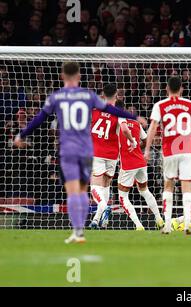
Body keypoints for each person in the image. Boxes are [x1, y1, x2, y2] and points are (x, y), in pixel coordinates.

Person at [13, 62, 136, 243]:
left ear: (62, 76)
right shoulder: (88, 95)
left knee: (73, 192)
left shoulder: (57, 96)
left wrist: (21, 134)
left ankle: (78, 232)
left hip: (67, 150)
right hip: (86, 150)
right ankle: (93, 219)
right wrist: (134, 117)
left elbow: (40, 118)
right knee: (84, 189)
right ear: (79, 77)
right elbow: (110, 108)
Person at [144, 76, 191, 235]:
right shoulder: (189, 104)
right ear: (181, 88)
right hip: (187, 150)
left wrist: (147, 149)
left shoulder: (160, 105)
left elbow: (153, 127)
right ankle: (188, 222)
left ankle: (167, 224)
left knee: (168, 185)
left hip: (169, 151)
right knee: (186, 185)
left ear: (167, 89)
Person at [89, 84, 135, 229]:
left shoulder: (95, 108)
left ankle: (103, 206)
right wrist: (132, 140)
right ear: (116, 95)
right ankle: (98, 220)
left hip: (96, 152)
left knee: (94, 187)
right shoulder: (119, 112)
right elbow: (125, 129)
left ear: (103, 94)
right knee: (105, 185)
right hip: (113, 154)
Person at [116, 103, 164, 230]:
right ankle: (159, 219)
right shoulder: (136, 123)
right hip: (141, 162)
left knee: (122, 197)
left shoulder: (118, 122)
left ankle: (138, 225)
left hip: (128, 164)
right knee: (145, 191)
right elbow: (146, 139)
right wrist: (137, 147)